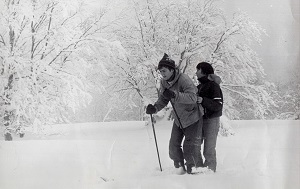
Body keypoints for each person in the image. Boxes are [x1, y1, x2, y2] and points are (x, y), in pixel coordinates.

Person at [146, 53, 202, 174]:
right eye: (161, 71)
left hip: (192, 117)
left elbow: (193, 97)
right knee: (173, 147)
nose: (162, 74)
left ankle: (196, 172)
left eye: (164, 70)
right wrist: (154, 108)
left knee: (190, 148)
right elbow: (163, 99)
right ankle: (179, 169)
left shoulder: (184, 79)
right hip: (178, 118)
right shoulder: (164, 82)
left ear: (172, 70)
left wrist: (175, 95)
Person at [195, 62, 223, 172]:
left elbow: (218, 105)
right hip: (201, 119)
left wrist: (203, 100)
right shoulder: (200, 86)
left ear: (204, 72)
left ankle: (210, 173)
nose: (196, 72)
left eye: (198, 70)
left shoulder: (213, 86)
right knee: (195, 146)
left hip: (212, 120)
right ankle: (198, 170)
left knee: (208, 150)